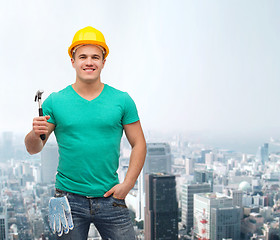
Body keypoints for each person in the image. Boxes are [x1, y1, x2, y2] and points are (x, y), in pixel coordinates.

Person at [25, 26, 147, 240]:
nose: (89, 62)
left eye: (95, 57)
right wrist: (35, 133)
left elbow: (139, 144)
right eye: (82, 57)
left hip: (111, 198)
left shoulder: (122, 100)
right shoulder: (55, 101)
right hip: (68, 200)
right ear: (73, 61)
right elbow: (34, 148)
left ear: (103, 61)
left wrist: (127, 185)